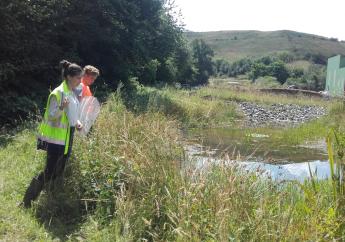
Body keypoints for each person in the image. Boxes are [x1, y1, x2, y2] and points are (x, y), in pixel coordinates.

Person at [22, 60, 83, 208]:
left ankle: (51, 199)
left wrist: (77, 122)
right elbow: (51, 115)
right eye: (78, 78)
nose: (80, 81)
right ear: (69, 76)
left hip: (67, 138)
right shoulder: (58, 93)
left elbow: (72, 114)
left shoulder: (72, 92)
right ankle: (27, 200)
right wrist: (62, 107)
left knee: (59, 171)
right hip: (56, 141)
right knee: (49, 171)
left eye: (81, 78)